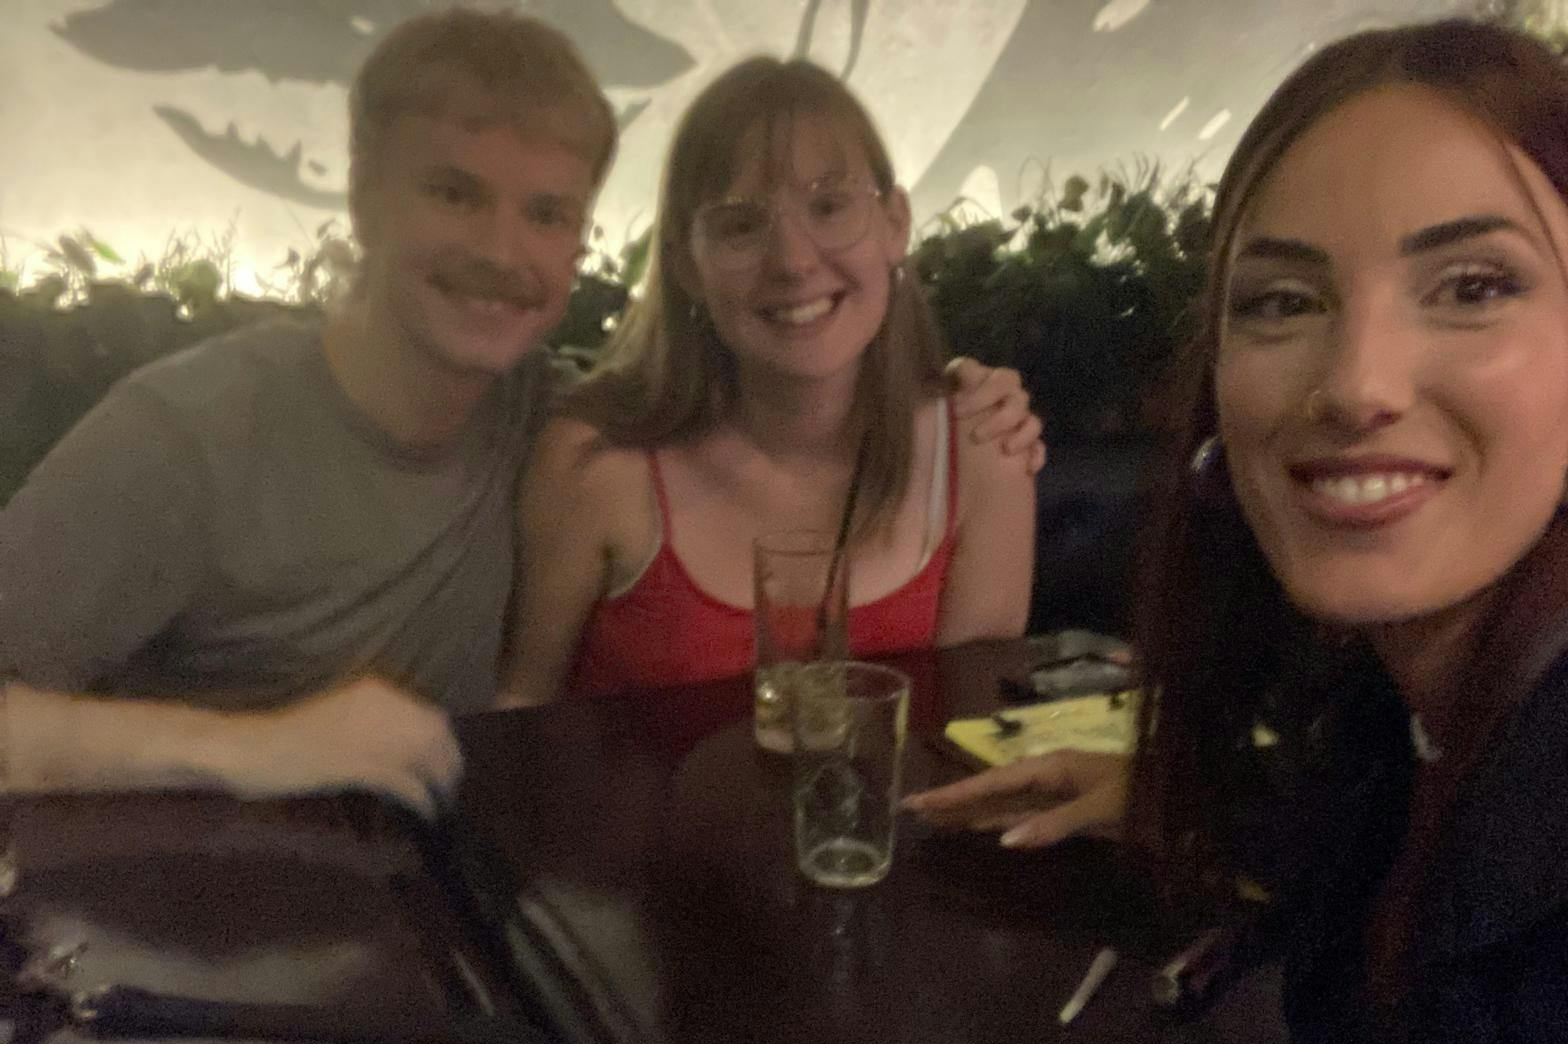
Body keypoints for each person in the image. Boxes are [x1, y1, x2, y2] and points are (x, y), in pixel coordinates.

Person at [0, 12, 1041, 817]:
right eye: (455, 193)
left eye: (546, 213)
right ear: (362, 197)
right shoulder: (188, 435)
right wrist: (251, 750)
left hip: (438, 928)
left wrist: (954, 392)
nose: (504, 251)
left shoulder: (545, 415)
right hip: (171, 942)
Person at [906, 19, 1568, 1044]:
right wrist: (1219, 813)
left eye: (1473, 287)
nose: (1358, 384)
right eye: (1284, 300)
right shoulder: (1408, 701)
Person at [497, 58, 1035, 707]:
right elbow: (518, 725)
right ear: (685, 265)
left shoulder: (981, 450)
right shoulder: (595, 465)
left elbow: (966, 749)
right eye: (740, 224)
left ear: (894, 224)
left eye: (828, 205)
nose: (792, 261)